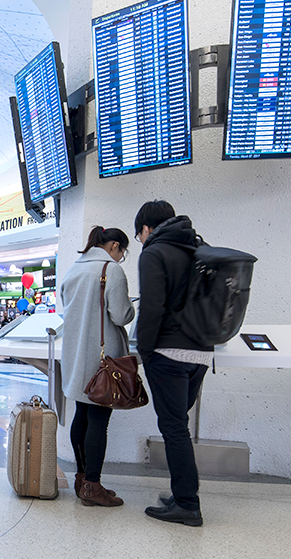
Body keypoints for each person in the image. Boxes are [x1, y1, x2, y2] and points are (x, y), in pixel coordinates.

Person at [135, 200, 213, 527]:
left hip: (168, 353)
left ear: (148, 228)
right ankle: (181, 492)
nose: (140, 240)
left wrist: (145, 351)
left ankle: (187, 504)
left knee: (173, 428)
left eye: (139, 234)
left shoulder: (153, 253)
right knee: (178, 423)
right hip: (202, 352)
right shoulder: (199, 248)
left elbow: (151, 308)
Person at [60, 226, 135, 507]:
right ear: (114, 245)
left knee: (81, 414)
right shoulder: (110, 270)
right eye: (122, 252)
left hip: (76, 356)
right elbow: (120, 314)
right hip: (102, 361)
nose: (122, 257)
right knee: (99, 421)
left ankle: (82, 479)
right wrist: (132, 307)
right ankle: (93, 485)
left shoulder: (73, 269)